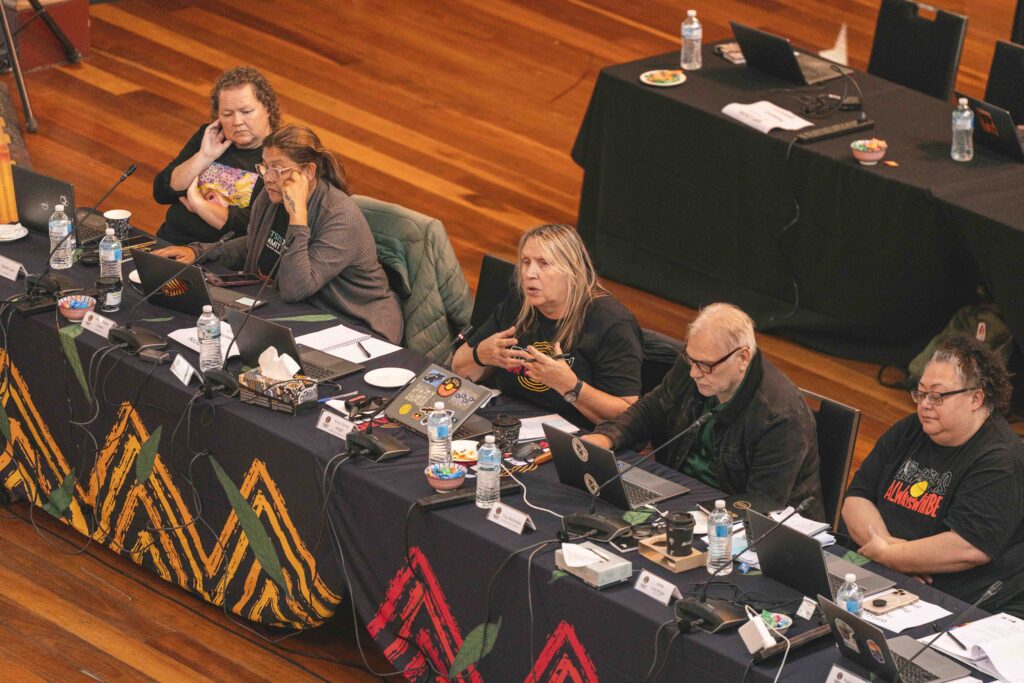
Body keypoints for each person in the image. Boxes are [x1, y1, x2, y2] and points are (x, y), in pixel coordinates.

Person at [154, 124, 403, 345]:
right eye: (265, 167)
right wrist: (197, 252)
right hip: (303, 312)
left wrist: (298, 218)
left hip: (357, 326)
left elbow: (296, 288)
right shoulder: (271, 195)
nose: (268, 178)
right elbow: (254, 244)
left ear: (308, 172)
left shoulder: (340, 217)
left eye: (278, 169)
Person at [584, 303, 825, 520]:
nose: (694, 373)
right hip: (682, 496)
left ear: (743, 358)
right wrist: (606, 437)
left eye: (705, 366)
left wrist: (697, 518)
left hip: (739, 522)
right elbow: (651, 410)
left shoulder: (781, 416)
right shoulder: (696, 365)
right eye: (691, 360)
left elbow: (761, 503)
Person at [843, 334, 1024, 615]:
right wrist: (888, 553)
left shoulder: (1000, 460)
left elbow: (968, 547)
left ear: (976, 398)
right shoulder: (910, 428)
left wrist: (892, 557)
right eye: (921, 393)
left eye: (937, 396)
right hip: (883, 567)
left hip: (955, 600)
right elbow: (856, 497)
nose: (925, 404)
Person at [453, 224, 642, 429]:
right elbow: (459, 367)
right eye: (526, 262)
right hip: (508, 422)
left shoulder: (612, 323)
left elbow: (627, 417)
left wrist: (570, 386)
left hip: (570, 435)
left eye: (543, 263)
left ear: (572, 271)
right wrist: (480, 355)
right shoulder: (519, 302)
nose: (529, 273)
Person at [154, 66, 280, 245]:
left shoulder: (280, 155)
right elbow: (162, 192)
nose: (237, 122)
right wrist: (203, 157)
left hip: (216, 255)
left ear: (268, 109)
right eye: (227, 114)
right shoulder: (211, 136)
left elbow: (253, 227)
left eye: (246, 112)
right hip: (168, 241)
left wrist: (198, 204)